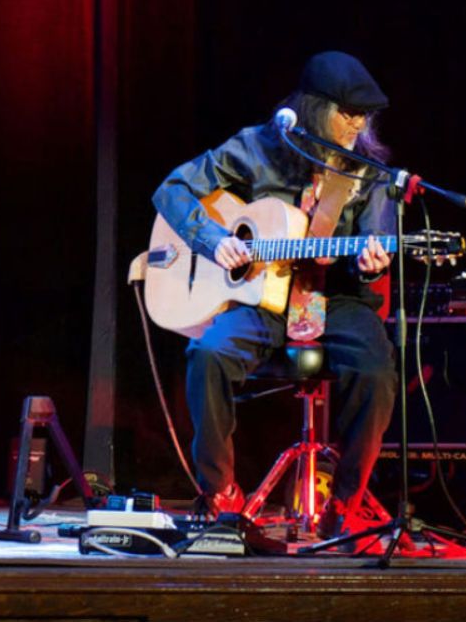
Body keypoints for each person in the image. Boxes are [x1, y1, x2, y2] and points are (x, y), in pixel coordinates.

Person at [152, 50, 398, 540]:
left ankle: (345, 504)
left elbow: (373, 251)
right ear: (313, 108)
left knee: (375, 371)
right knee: (208, 353)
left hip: (337, 299)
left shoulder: (367, 172)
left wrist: (374, 264)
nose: (357, 123)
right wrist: (215, 240)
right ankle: (221, 493)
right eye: (346, 112)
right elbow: (172, 190)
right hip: (262, 298)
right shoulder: (256, 147)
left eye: (363, 115)